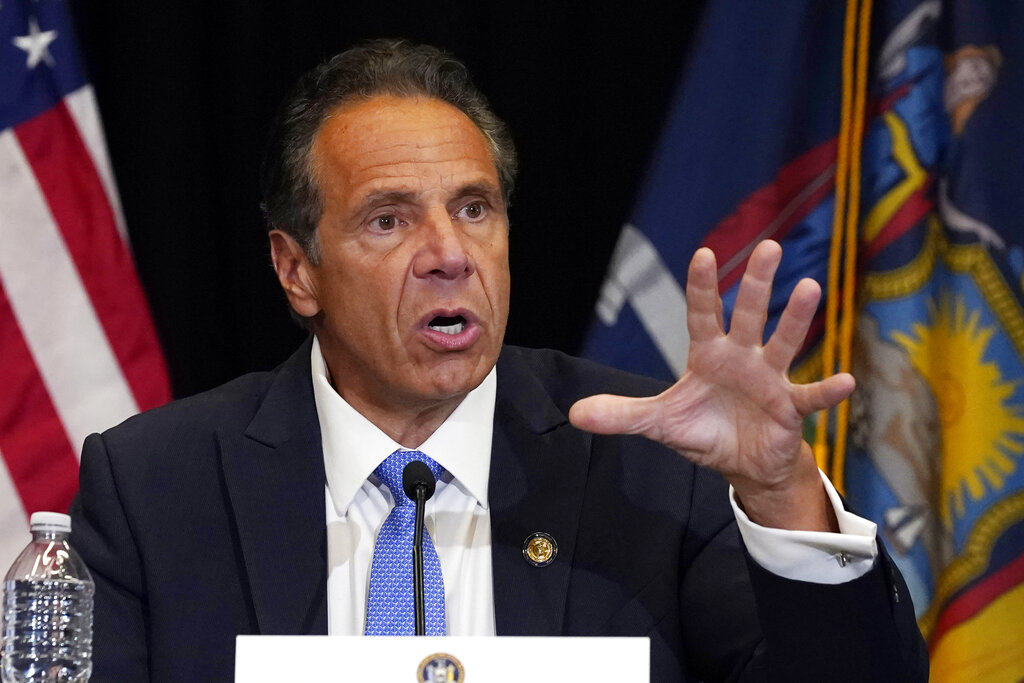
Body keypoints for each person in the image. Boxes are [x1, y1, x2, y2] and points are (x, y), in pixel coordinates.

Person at [69, 39, 928, 682]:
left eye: (474, 208)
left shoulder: (656, 461)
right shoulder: (156, 484)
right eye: (389, 219)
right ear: (297, 269)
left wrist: (780, 491)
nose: (449, 253)